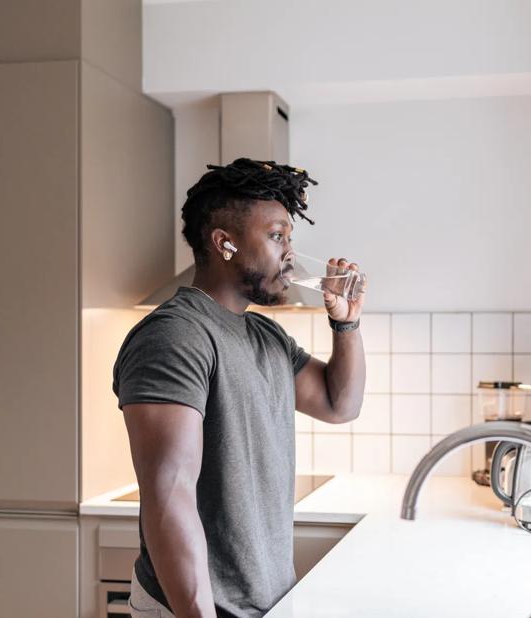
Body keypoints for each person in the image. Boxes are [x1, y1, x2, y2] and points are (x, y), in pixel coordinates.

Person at [112, 158, 367, 618]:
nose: (289, 253)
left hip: (264, 600)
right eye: (276, 236)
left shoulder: (264, 336)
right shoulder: (175, 336)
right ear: (224, 243)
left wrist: (345, 324)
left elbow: (338, 404)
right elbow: (169, 497)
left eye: (290, 238)